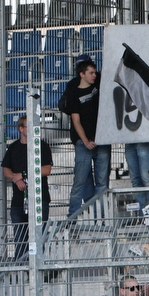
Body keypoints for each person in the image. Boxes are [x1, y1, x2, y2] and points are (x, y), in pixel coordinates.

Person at [61, 57, 110, 216]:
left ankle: (102, 218)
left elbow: (107, 70)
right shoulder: (73, 91)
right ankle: (73, 217)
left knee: (102, 183)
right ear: (82, 74)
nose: (94, 75)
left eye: (95, 73)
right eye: (91, 73)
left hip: (101, 140)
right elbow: (76, 121)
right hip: (84, 142)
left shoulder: (98, 81)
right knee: (80, 182)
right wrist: (85, 141)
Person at [1, 114, 52, 261]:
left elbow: (46, 169)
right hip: (18, 201)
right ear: (20, 128)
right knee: (20, 238)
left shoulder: (42, 146)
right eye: (29, 126)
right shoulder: (13, 147)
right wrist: (16, 180)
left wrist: (23, 176)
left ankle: (39, 270)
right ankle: (22, 271)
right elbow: (6, 170)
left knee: (38, 237)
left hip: (39, 198)